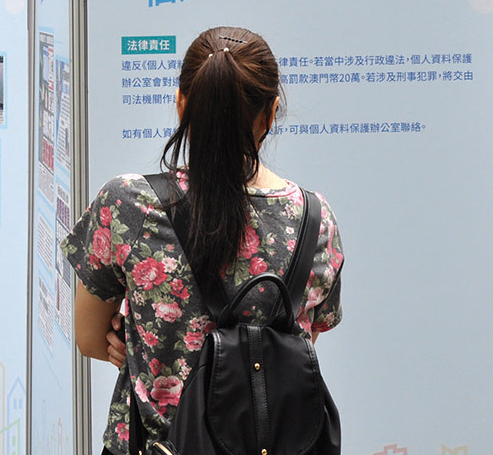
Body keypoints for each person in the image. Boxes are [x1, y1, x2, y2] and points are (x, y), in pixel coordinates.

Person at [62, 26, 344, 454]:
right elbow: (288, 349)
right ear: (270, 114)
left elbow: (88, 337)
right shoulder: (315, 221)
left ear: (182, 106)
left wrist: (137, 341)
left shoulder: (128, 205)